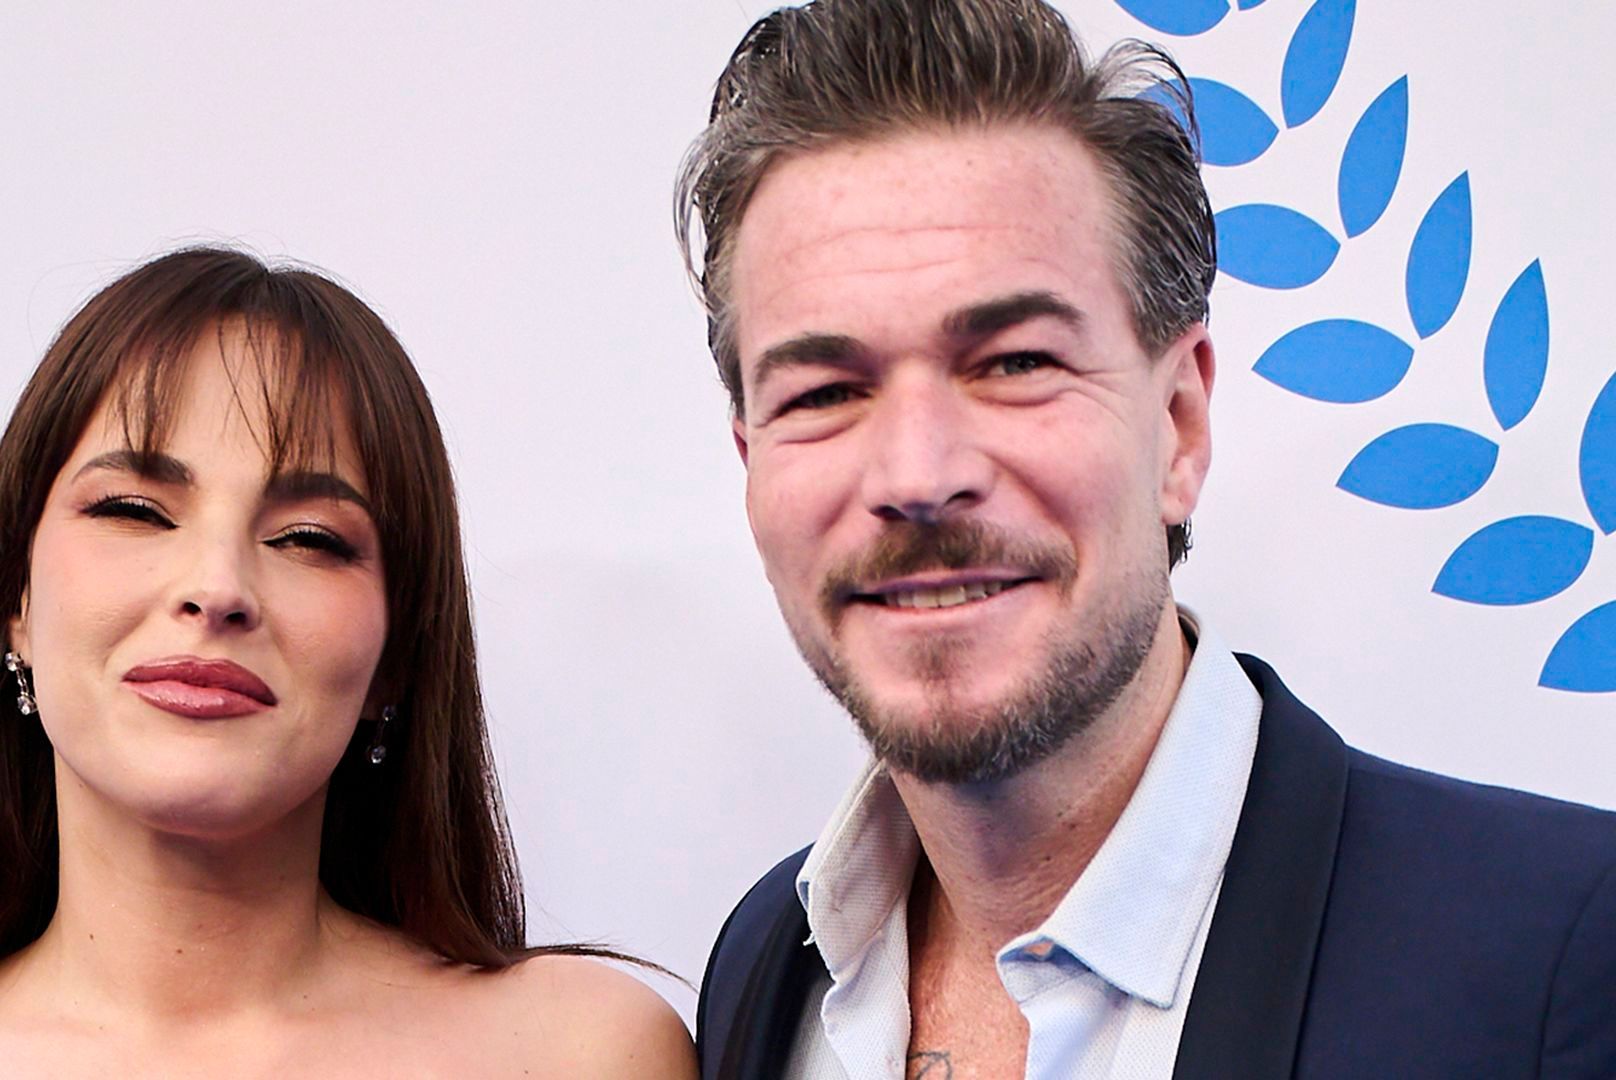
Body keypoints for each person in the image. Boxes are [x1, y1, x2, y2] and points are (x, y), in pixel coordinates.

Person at [674, 2, 1616, 1077]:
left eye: (1015, 363)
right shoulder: (763, 968)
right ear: (750, 461)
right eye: (824, 393)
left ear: (1178, 424)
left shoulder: (1555, 957)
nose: (918, 476)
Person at [0, 248, 696, 1079]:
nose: (217, 587)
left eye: (310, 538)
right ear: (14, 603)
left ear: (397, 657)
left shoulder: (582, 1052)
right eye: (134, 511)